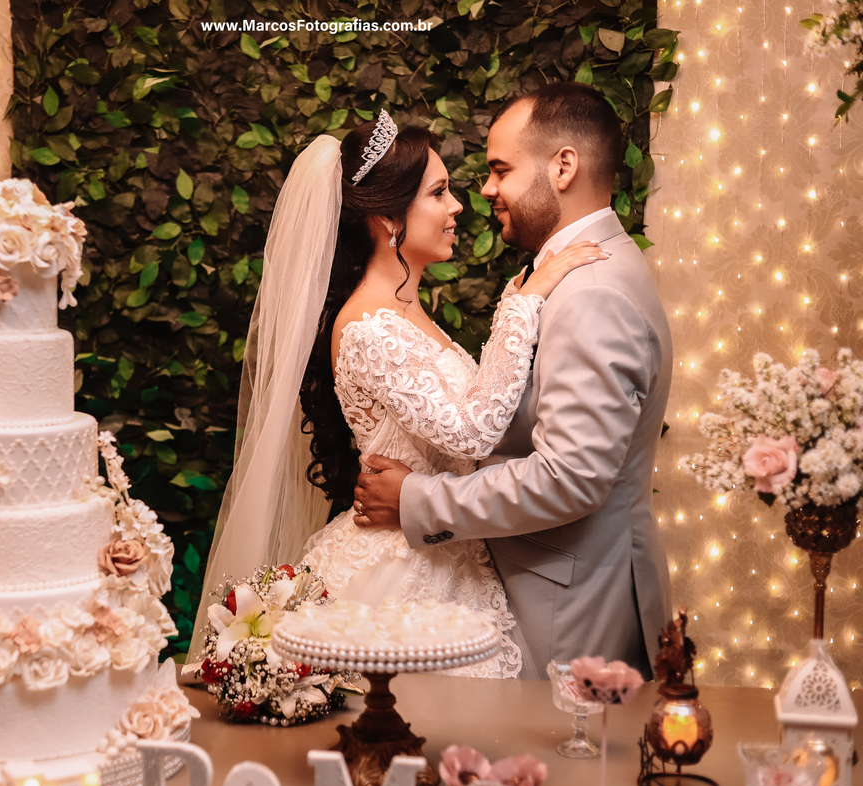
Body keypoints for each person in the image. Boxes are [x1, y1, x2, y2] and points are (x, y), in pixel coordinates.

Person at [186, 104, 607, 678]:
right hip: (401, 574)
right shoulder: (369, 328)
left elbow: (468, 413)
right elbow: (473, 431)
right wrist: (523, 304)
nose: (458, 206)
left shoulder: (405, 312)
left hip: (445, 550)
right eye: (439, 193)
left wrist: (520, 299)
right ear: (388, 218)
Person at [350, 82, 673, 680]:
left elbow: (568, 477)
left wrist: (416, 499)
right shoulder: (576, 273)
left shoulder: (592, 293)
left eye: (500, 170)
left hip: (572, 606)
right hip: (525, 584)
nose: (483, 191)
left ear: (563, 167)